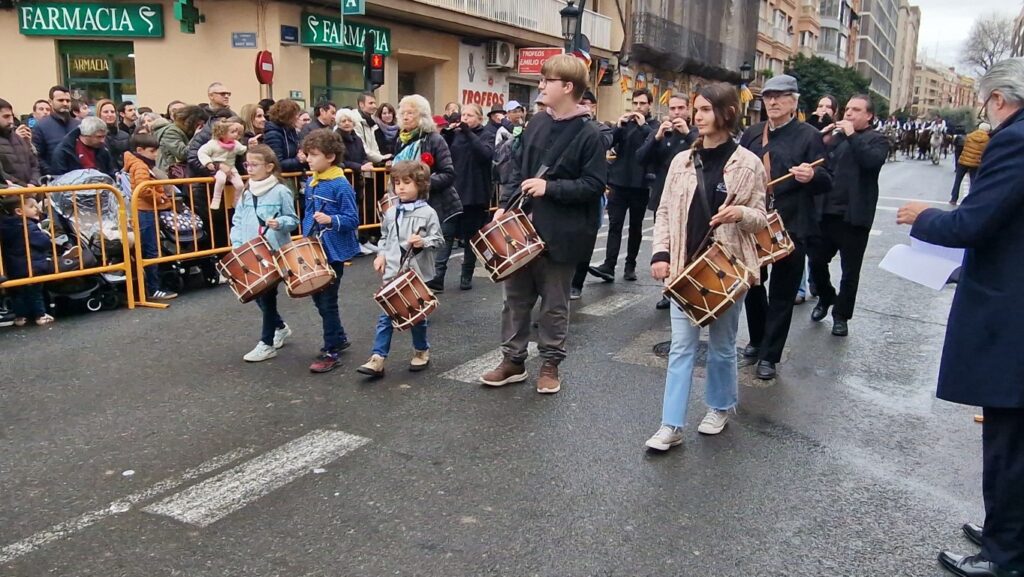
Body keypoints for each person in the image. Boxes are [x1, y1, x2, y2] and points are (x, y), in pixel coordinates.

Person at [895, 57, 1024, 577]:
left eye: (984, 103)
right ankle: (1004, 530)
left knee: (1009, 440)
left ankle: (1005, 555)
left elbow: (977, 220)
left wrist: (923, 217)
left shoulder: (1014, 139)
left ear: (998, 99)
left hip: (1011, 313)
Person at [645, 82, 768, 451]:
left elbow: (762, 218)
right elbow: (664, 211)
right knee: (682, 346)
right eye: (695, 109)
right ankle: (671, 424)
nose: (696, 116)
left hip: (726, 268)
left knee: (722, 345)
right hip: (685, 266)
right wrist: (660, 254)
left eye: (704, 110)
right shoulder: (682, 160)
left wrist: (741, 213)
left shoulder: (748, 164)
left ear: (726, 113)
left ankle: (718, 406)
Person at [479, 54, 607, 394]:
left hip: (562, 233)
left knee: (554, 303)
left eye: (546, 81)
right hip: (523, 227)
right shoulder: (536, 123)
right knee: (515, 298)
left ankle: (550, 364)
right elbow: (517, 171)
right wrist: (505, 208)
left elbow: (594, 185)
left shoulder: (590, 134)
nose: (540, 86)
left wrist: (551, 188)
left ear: (567, 87)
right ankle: (514, 361)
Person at [738, 74, 831, 380]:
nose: (773, 102)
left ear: (794, 101)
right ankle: (757, 337)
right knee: (752, 283)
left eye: (780, 96)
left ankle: (770, 356)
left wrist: (811, 176)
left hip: (792, 224)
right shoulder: (751, 134)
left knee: (783, 291)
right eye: (768, 97)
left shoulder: (809, 136)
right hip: (754, 222)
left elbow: (826, 178)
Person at [807, 94, 889, 337]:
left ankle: (841, 316)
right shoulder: (836, 137)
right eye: (848, 109)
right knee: (816, 260)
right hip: (826, 212)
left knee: (850, 271)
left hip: (854, 216)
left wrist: (852, 135)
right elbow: (818, 161)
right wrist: (824, 137)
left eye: (856, 110)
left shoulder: (878, 140)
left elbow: (870, 161)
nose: (849, 114)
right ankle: (825, 295)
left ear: (869, 116)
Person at [357, 160, 444, 377]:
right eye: (397, 183)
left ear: (421, 185)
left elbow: (439, 240)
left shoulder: (428, 213)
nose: (401, 187)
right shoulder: (391, 212)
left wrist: (423, 242)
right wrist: (381, 254)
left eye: (407, 182)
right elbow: (385, 237)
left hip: (415, 275)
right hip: (393, 272)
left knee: (416, 317)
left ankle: (421, 350)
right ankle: (377, 358)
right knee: (386, 316)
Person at [229, 144, 300, 362]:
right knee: (256, 295)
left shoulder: (281, 190)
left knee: (267, 297)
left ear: (269, 167)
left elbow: (293, 220)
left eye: (254, 164)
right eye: (247, 164)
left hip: (273, 252)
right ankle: (279, 326)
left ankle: (266, 343)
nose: (249, 168)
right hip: (249, 251)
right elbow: (238, 219)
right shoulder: (247, 191)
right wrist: (237, 244)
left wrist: (280, 223)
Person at [300, 129, 361, 374]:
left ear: (330, 157)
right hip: (315, 248)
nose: (309, 159)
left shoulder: (341, 185)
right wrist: (305, 237)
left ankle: (331, 350)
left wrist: (330, 219)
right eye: (308, 154)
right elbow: (307, 212)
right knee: (317, 296)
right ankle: (338, 335)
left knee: (327, 300)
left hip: (333, 251)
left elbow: (352, 219)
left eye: (314, 155)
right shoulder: (313, 181)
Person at [392, 94, 463, 292]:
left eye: (411, 113)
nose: (405, 117)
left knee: (436, 249)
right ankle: (418, 294)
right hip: (411, 206)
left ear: (422, 116)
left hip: (439, 204)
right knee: (413, 252)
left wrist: (421, 184)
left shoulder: (435, 139)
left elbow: (448, 173)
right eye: (403, 112)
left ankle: (430, 290)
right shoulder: (399, 140)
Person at [636, 93, 699, 308]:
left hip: (691, 198)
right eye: (672, 109)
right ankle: (668, 290)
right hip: (663, 197)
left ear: (689, 110)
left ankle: (689, 286)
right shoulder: (660, 133)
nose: (676, 113)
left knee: (688, 243)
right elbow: (641, 159)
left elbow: (703, 154)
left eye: (681, 108)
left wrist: (688, 134)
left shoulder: (696, 133)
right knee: (665, 242)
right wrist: (656, 138)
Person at [589, 89, 659, 283]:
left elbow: (654, 143)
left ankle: (630, 266)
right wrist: (619, 127)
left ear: (649, 105)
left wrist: (644, 126)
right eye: (635, 103)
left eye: (642, 104)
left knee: (635, 227)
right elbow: (610, 141)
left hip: (640, 184)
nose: (638, 107)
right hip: (618, 182)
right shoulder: (626, 124)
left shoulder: (654, 126)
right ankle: (609, 265)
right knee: (615, 224)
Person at [568, 90, 614, 300]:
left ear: (593, 107)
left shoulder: (600, 129)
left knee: (586, 240)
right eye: (580, 102)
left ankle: (577, 283)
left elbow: (605, 142)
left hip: (591, 192)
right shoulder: (568, 125)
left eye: (587, 103)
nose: (584, 106)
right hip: (569, 189)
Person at [444, 103, 494, 290]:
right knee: (447, 234)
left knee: (471, 238)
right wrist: (447, 134)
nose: (465, 118)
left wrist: (468, 132)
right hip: (455, 192)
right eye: (463, 115)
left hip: (475, 194)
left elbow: (485, 154)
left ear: (479, 119)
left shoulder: (486, 134)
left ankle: (467, 274)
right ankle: (438, 277)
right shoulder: (456, 135)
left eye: (470, 115)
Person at [124, 132, 178, 301]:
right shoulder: (140, 166)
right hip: (144, 210)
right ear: (140, 150)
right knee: (151, 250)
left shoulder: (138, 163)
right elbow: (143, 187)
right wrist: (160, 197)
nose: (155, 154)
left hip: (144, 209)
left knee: (149, 249)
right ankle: (153, 289)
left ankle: (151, 287)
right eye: (152, 151)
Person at [0, 196, 56, 325]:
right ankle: (40, 315)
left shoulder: (4, 225)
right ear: (19, 211)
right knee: (35, 293)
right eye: (31, 207)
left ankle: (20, 317)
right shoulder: (28, 225)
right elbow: (43, 243)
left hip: (13, 268)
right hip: (32, 265)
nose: (36, 209)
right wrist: (46, 235)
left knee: (17, 293)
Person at [198, 120, 248, 210]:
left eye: (237, 132)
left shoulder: (236, 144)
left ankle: (237, 202)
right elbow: (202, 152)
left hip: (231, 168)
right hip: (218, 168)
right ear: (222, 134)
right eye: (232, 132)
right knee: (221, 179)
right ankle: (216, 199)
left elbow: (242, 150)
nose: (236, 134)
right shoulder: (213, 144)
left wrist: (250, 145)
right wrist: (208, 162)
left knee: (240, 185)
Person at [32, 86, 79, 175]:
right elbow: (37, 157)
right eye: (60, 100)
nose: (65, 103)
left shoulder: (78, 125)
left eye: (68, 101)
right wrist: (51, 173)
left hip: (79, 178)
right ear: (50, 102)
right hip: (54, 179)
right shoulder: (40, 126)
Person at [0, 98, 41, 187]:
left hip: (30, 192)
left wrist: (33, 183)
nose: (11, 121)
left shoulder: (19, 138)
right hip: (10, 196)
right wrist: (24, 188)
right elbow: (2, 175)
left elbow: (35, 165)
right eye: (6, 117)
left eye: (12, 116)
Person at [155, 105, 206, 175]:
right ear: (189, 122)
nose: (200, 127)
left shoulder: (185, 131)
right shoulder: (170, 132)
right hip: (171, 173)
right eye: (198, 124)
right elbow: (182, 154)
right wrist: (196, 137)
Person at [949, 122, 990, 205]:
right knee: (973, 182)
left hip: (963, 161)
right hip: (976, 163)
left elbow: (963, 147)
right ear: (988, 130)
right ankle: (971, 201)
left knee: (958, 180)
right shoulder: (988, 140)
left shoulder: (970, 136)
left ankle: (953, 199)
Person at [264, 99, 307, 174]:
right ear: (287, 116)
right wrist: (298, 160)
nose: (297, 117)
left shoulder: (291, 131)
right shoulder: (273, 135)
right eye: (295, 114)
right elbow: (277, 163)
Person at [94, 99, 130, 172]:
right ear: (99, 114)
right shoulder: (92, 136)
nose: (110, 114)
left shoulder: (125, 135)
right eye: (106, 112)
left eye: (112, 112)